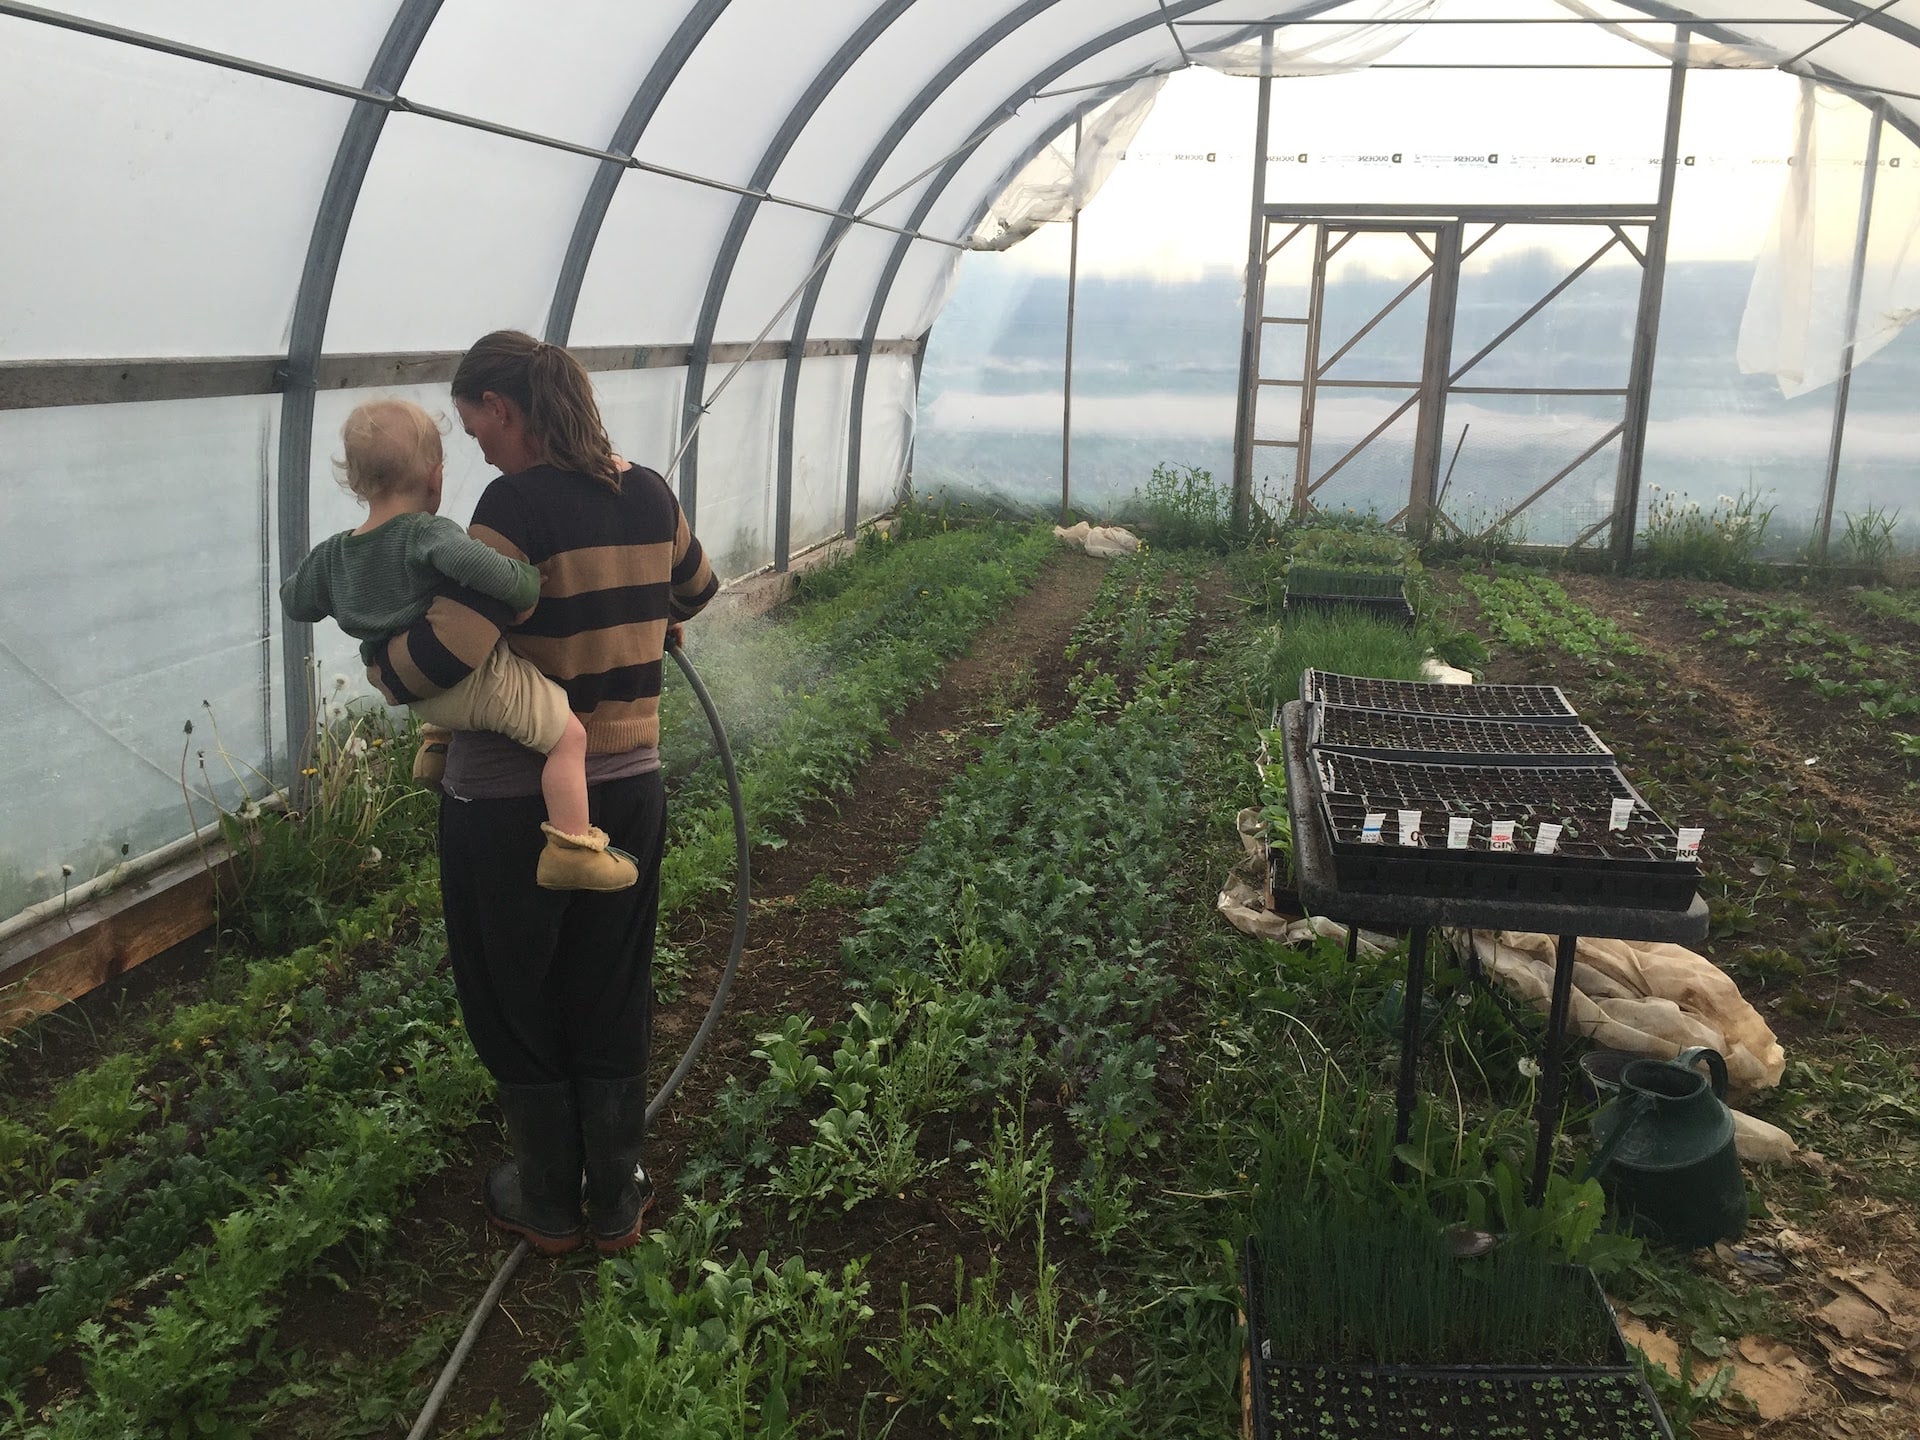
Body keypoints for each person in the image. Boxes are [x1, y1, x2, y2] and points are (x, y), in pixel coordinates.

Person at [370, 332, 717, 1256]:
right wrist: (645, 623)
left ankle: (546, 1199)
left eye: (472, 419)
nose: (471, 441)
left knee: (514, 992)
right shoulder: (645, 489)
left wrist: (384, 665)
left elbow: (446, 653)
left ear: (505, 408)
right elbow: (698, 587)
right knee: (610, 985)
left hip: (510, 810)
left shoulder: (512, 506)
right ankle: (615, 1196)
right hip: (629, 792)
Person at [280, 398, 640, 893]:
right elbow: (492, 573)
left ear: (356, 482)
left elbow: (295, 602)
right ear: (435, 477)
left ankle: (435, 746)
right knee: (567, 736)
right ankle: (572, 848)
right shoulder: (427, 536)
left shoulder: (332, 555)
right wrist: (529, 583)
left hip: (408, 687)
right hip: (469, 683)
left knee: (457, 654)